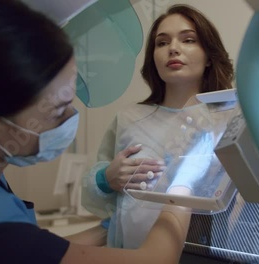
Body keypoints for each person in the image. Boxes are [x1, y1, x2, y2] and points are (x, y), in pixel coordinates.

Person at [0, 1, 191, 263]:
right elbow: (157, 259)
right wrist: (182, 188)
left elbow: (41, 247)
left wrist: (112, 226)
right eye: (57, 110)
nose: (70, 119)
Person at [81, 4, 236, 249]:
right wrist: (104, 180)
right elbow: (102, 205)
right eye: (162, 43)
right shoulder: (129, 118)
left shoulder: (229, 121)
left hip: (205, 252)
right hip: (129, 252)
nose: (173, 49)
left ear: (208, 56)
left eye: (188, 40)